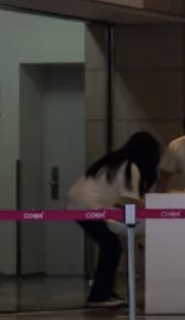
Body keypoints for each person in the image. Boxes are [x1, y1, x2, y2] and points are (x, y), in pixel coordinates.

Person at [66, 132, 162, 309]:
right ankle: (99, 296)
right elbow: (129, 200)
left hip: (78, 203)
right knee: (112, 247)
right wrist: (153, 207)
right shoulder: (130, 167)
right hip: (88, 207)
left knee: (110, 246)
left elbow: (118, 200)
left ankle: (104, 291)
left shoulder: (114, 161)